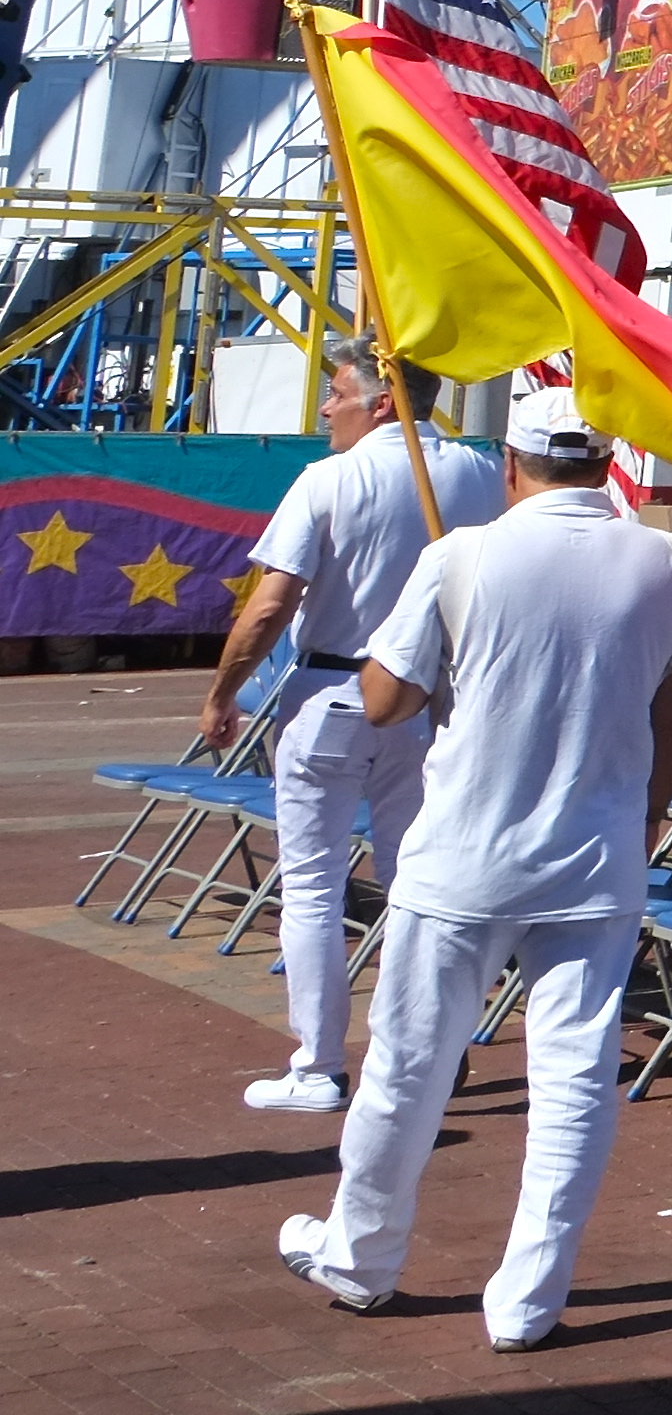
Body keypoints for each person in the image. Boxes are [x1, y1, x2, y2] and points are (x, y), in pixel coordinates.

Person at [278, 390, 672, 1350]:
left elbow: (386, 703)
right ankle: (527, 1301)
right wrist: (648, 815)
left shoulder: (461, 556)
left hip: (465, 860)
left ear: (511, 466)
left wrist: (409, 641)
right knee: (573, 1078)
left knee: (408, 1066)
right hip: (597, 856)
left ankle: (361, 1258)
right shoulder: (671, 563)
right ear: (603, 465)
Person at [200, 351, 505, 1115]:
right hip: (426, 699)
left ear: (381, 402)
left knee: (311, 884)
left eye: (337, 393)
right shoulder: (475, 475)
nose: (325, 410)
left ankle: (318, 1066)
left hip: (334, 690)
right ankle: (430, 1049)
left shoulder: (330, 480)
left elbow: (271, 604)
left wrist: (222, 693)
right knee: (415, 883)